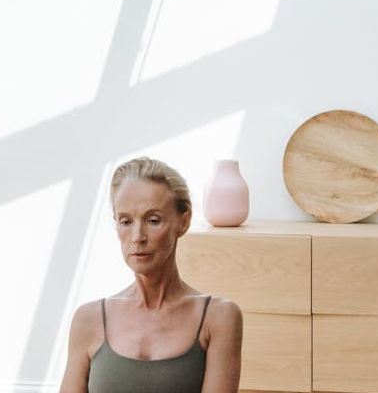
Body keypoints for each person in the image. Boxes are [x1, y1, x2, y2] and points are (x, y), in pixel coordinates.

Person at [59, 157, 243, 393]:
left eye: (153, 220)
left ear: (183, 222)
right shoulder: (89, 319)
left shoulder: (218, 317)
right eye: (125, 221)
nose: (137, 236)